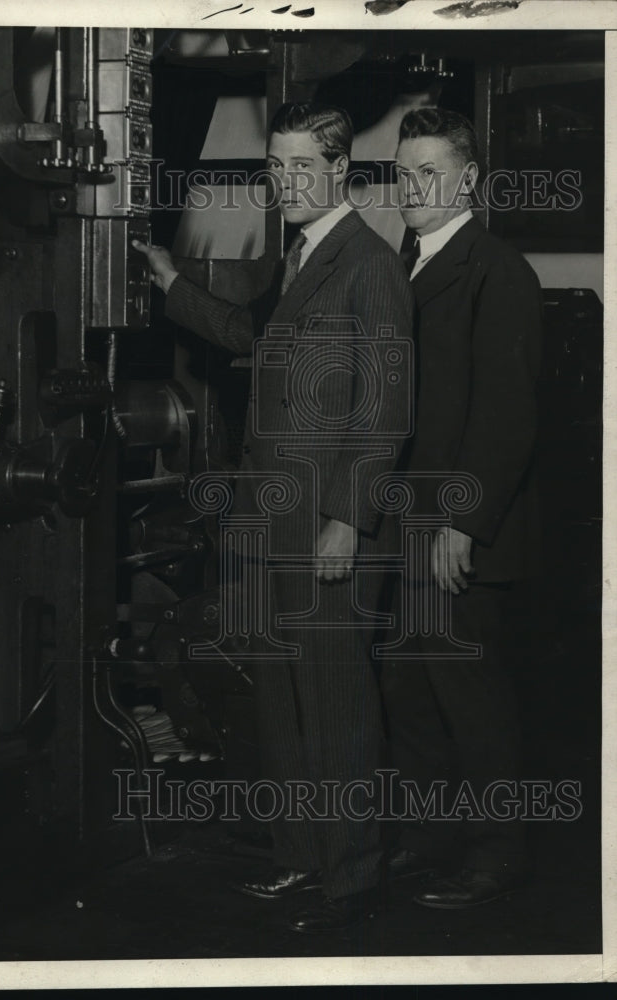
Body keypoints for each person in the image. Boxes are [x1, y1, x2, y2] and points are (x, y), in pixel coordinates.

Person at [134, 102, 413, 932]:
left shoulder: (370, 264)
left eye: (300, 168)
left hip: (326, 526)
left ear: (338, 171)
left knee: (335, 703)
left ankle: (353, 878)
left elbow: (385, 407)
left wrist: (347, 518)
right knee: (284, 703)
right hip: (269, 520)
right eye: (276, 169)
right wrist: (172, 286)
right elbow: (244, 334)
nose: (285, 183)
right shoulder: (297, 257)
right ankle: (301, 860)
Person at [380, 107, 543, 908]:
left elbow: (508, 414)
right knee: (412, 693)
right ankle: (428, 839)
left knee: (471, 698)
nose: (414, 188)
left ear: (468, 179)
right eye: (403, 173)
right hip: (407, 523)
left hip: (457, 529)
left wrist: (461, 521)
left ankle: (495, 853)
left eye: (430, 173)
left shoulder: (496, 269)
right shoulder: (406, 264)